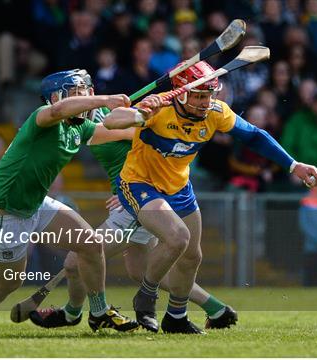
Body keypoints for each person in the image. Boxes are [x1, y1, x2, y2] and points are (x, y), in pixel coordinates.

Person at [103, 61, 317, 333]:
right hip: (139, 184)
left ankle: (176, 317)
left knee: (192, 256)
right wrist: (140, 114)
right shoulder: (159, 110)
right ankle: (146, 297)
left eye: (209, 95)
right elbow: (111, 121)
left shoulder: (215, 112)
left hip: (179, 187)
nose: (205, 101)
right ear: (181, 94)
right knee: (178, 238)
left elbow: (254, 136)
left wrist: (294, 165)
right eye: (198, 95)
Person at [0, 69, 143, 333]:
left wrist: (146, 117)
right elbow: (59, 111)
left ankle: (99, 311)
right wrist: (104, 100)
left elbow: (123, 132)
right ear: (55, 97)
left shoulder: (79, 129)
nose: (85, 98)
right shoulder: (42, 117)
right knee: (10, 280)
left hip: (35, 205)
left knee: (90, 244)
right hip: (1, 216)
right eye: (77, 93)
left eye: (86, 92)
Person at [30, 100, 238, 332]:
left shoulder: (109, 118)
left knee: (76, 262)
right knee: (139, 270)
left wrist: (133, 189)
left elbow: (155, 141)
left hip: (139, 198)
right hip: (133, 195)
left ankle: (72, 313)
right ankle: (217, 309)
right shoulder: (84, 123)